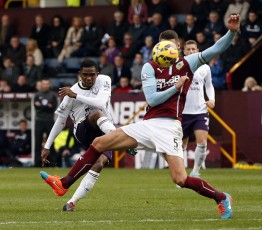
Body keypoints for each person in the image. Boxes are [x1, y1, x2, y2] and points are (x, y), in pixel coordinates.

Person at [40, 15, 240, 219]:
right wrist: (175, 87)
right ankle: (63, 184)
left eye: (171, 45)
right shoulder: (149, 67)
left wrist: (231, 31)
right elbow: (152, 99)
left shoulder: (187, 64)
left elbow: (215, 49)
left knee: (180, 179)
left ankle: (221, 197)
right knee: (100, 142)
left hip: (170, 126)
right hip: (148, 124)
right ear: (157, 48)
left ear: (177, 46)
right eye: (163, 46)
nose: (167, 49)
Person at [39, 59, 132, 211]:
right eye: (85, 74)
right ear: (79, 74)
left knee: (99, 163)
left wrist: (76, 95)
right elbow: (60, 122)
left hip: (104, 130)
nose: (89, 78)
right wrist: (47, 145)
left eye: (92, 75)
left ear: (98, 74)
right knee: (96, 114)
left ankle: (71, 201)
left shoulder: (104, 80)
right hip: (83, 130)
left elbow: (101, 103)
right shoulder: (70, 94)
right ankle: (122, 140)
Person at [181, 40, 216, 179]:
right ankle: (181, 174)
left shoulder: (205, 67)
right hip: (182, 111)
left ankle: (195, 172)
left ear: (197, 50)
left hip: (200, 111)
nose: (191, 52)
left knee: (202, 142)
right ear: (184, 51)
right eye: (188, 49)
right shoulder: (179, 66)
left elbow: (209, 85)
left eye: (193, 49)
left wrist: (212, 99)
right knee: (181, 144)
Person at [34, 79, 58, 167]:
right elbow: (36, 107)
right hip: (39, 120)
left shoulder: (52, 95)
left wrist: (41, 105)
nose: (45, 86)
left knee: (51, 142)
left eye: (47, 84)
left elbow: (53, 108)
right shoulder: (37, 95)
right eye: (43, 84)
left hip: (49, 120)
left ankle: (52, 163)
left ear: (49, 85)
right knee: (37, 142)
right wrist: (47, 105)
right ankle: (37, 163)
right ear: (41, 85)